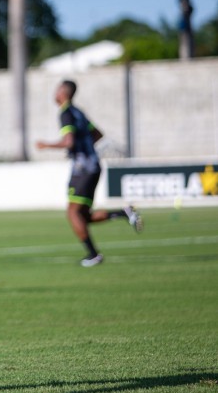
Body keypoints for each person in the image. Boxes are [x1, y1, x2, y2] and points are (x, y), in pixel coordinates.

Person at [36, 80, 143, 267]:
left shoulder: (66, 113)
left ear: (62, 92)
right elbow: (98, 134)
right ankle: (123, 213)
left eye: (56, 89)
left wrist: (46, 145)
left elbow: (68, 141)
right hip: (93, 165)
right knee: (83, 215)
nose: (54, 93)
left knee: (72, 213)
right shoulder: (79, 112)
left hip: (82, 169)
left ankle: (93, 255)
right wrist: (86, 148)